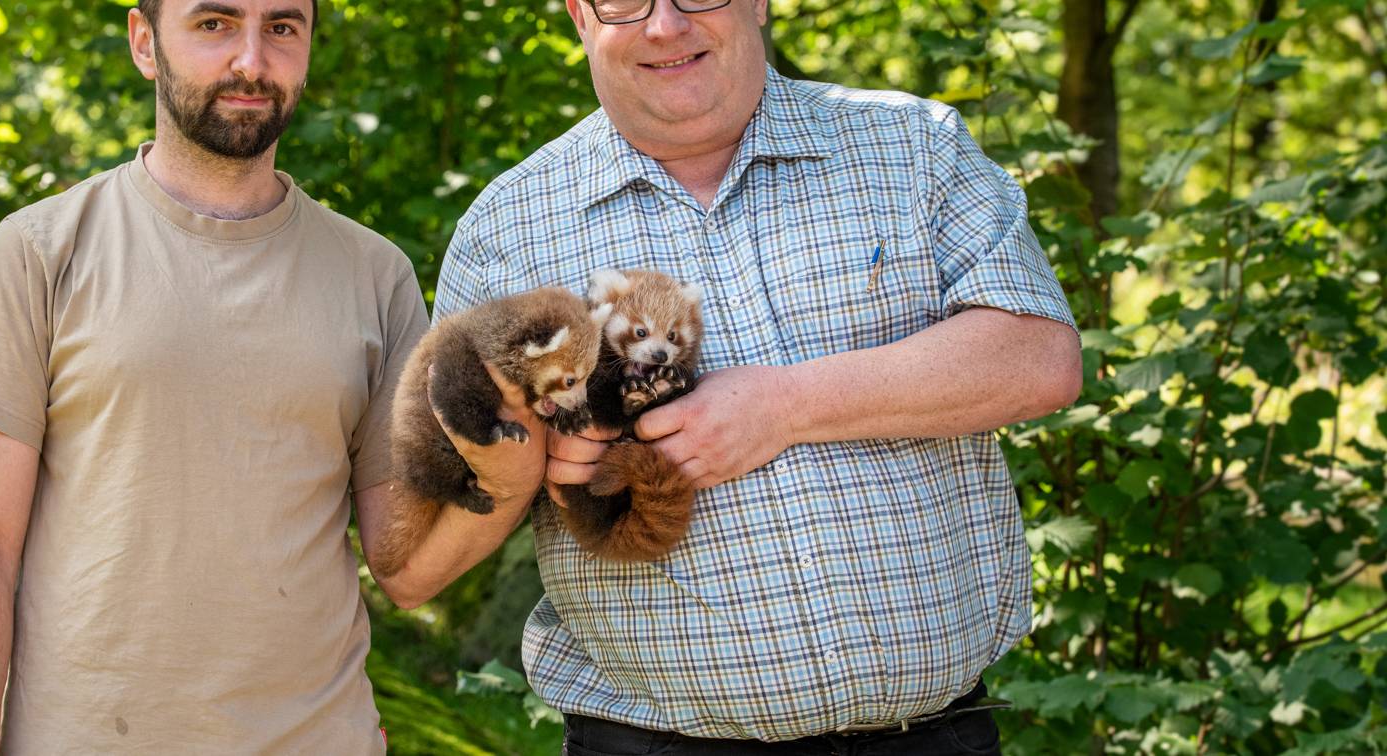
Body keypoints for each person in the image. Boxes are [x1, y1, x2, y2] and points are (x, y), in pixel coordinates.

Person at [393, 0, 1084, 752]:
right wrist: (530, 458)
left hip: (931, 737)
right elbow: (420, 556)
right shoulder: (504, 229)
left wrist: (785, 406)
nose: (665, 25)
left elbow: (1041, 359)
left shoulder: (914, 143)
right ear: (579, 14)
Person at [0, 1, 442, 751]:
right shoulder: (37, 253)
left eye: (282, 28)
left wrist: (530, 444)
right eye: (214, 24)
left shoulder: (377, 276)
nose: (252, 61)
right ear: (145, 42)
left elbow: (407, 562)